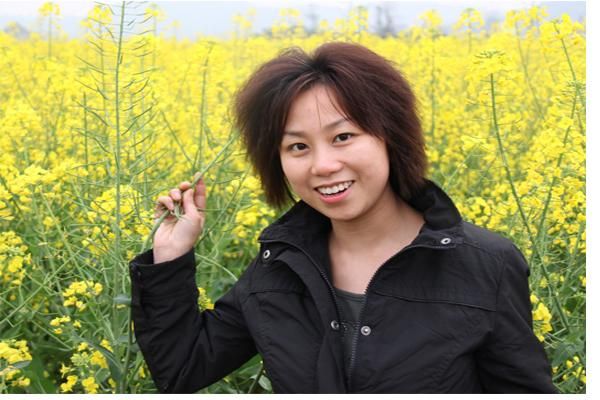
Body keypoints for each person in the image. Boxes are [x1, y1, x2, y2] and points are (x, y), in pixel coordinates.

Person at [128, 42, 557, 393]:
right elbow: (183, 368)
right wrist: (171, 255)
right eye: (298, 147)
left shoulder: (486, 265)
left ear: (390, 136)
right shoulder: (280, 266)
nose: (323, 165)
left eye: (343, 136)